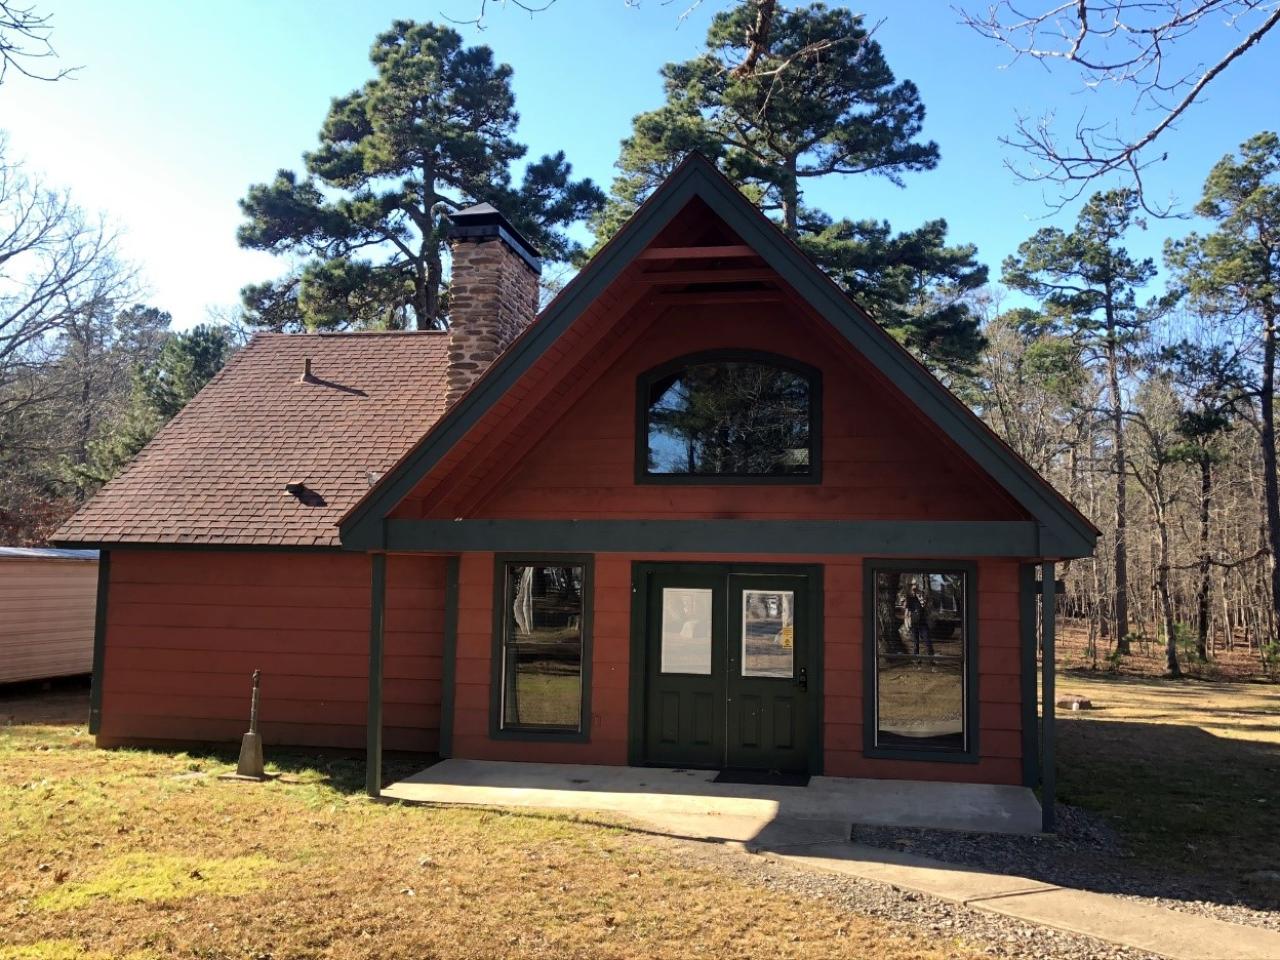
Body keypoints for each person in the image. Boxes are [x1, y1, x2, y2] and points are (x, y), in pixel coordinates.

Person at [906, 586, 934, 656]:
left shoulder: (924, 599)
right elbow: (907, 613)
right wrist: (907, 624)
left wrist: (923, 601)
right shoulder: (911, 600)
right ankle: (916, 657)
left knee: (927, 639)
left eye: (916, 590)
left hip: (923, 623)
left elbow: (927, 610)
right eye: (913, 590)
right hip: (914, 623)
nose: (914, 592)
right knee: (916, 642)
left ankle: (931, 656)